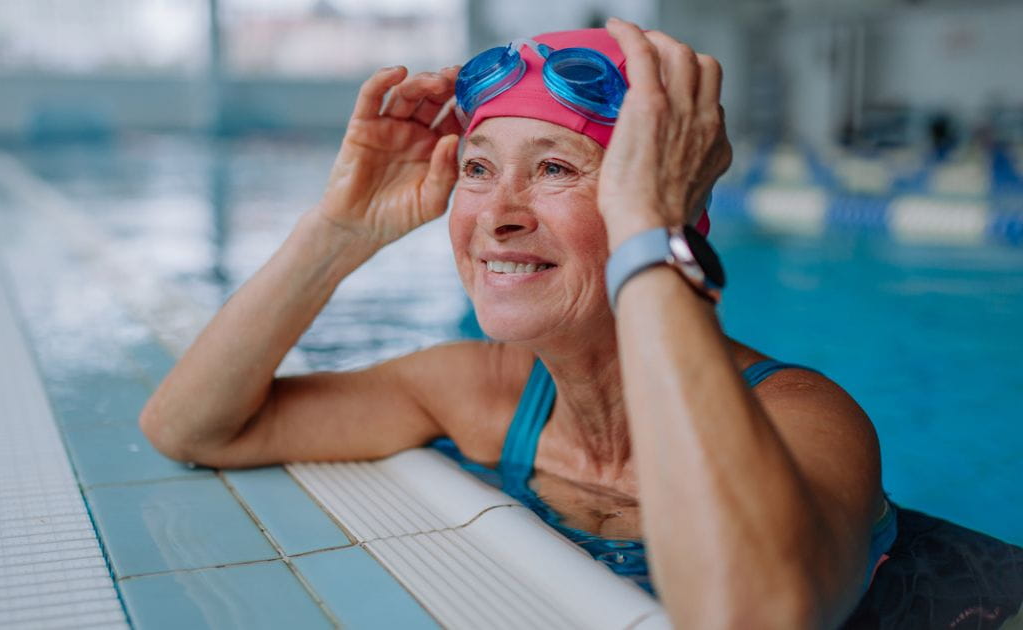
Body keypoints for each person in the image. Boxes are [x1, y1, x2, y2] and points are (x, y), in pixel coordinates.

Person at [138, 20, 995, 628]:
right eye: (477, 169)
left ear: (659, 207)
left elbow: (751, 616)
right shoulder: (476, 391)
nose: (498, 216)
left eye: (555, 169)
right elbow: (191, 427)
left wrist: (648, 232)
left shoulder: (804, 420)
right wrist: (339, 232)